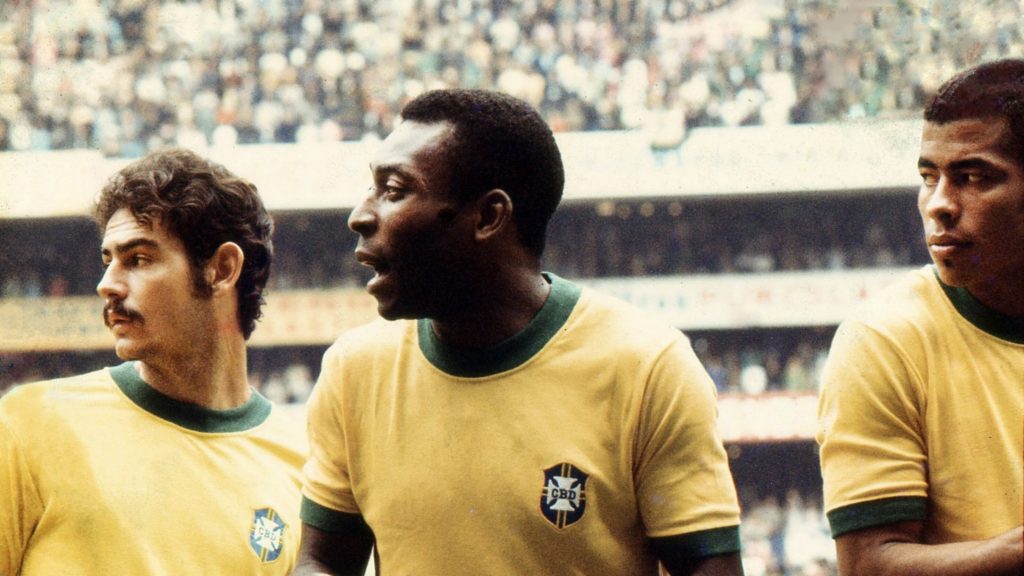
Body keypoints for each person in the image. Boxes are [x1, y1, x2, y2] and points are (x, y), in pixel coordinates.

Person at [294, 89, 743, 575]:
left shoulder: (648, 367)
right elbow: (321, 561)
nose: (359, 216)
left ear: (489, 216)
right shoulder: (354, 371)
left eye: (394, 190)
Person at [0, 148, 307, 574]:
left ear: (222, 269)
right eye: (108, 260)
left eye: (138, 259)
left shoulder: (302, 466)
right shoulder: (28, 425)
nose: (106, 285)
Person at [816, 58, 1024, 575]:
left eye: (972, 177)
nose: (939, 205)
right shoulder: (883, 339)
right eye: (929, 177)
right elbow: (869, 563)